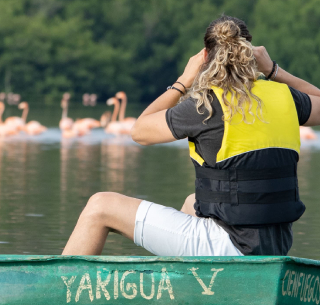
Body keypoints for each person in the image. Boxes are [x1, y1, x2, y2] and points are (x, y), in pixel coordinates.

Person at [62, 15, 320, 258]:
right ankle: (196, 290)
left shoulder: (205, 105)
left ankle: (58, 291)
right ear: (250, 54)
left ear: (205, 57)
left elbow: (139, 132)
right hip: (275, 246)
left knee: (100, 206)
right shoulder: (285, 97)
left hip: (232, 248)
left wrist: (183, 81)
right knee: (192, 203)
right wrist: (274, 70)